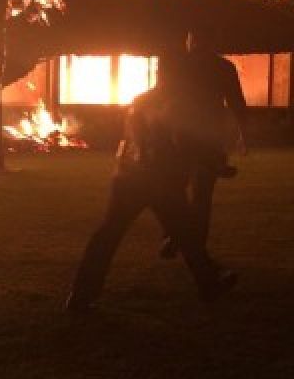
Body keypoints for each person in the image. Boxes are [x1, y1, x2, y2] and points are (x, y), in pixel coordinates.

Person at [67, 56, 238, 312]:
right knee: (186, 233)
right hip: (162, 179)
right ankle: (209, 283)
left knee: (109, 235)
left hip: (128, 176)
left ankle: (81, 295)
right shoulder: (177, 105)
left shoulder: (140, 101)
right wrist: (216, 165)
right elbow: (183, 140)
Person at [159, 27, 251, 259]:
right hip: (209, 135)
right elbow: (236, 102)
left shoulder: (176, 64)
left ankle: (174, 235)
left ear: (192, 41)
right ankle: (194, 243)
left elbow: (162, 99)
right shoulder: (223, 67)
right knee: (201, 195)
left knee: (174, 189)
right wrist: (244, 135)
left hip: (179, 135)